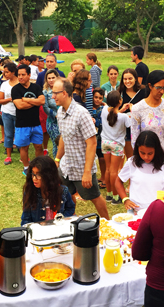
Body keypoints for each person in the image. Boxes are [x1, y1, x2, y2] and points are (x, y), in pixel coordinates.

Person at [52, 78, 109, 219]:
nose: (53, 96)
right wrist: (58, 159)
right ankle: (71, 222)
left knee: (95, 197)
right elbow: (63, 138)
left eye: (55, 93)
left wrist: (87, 172)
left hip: (82, 168)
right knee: (67, 197)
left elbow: (92, 143)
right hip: (66, 167)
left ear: (64, 93)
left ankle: (108, 223)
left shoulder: (81, 114)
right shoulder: (60, 112)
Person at [116, 131, 164, 211]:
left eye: (150, 153)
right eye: (142, 153)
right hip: (136, 210)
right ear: (137, 150)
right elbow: (118, 181)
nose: (146, 157)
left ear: (156, 150)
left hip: (158, 210)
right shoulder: (131, 163)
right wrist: (125, 199)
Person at [131, 70, 164, 170]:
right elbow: (135, 137)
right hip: (147, 159)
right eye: (158, 88)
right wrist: (139, 159)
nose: (162, 91)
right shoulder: (138, 108)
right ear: (150, 86)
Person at [21, 156, 76, 225]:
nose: (34, 178)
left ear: (49, 176)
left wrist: (62, 220)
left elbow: (70, 207)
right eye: (33, 174)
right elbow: (26, 219)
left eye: (38, 175)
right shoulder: (30, 192)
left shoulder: (63, 191)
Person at [12, 64, 45, 175]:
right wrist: (35, 102)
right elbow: (20, 106)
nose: (20, 77)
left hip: (36, 123)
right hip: (22, 124)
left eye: (23, 74)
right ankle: (26, 167)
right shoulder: (15, 89)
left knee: (39, 146)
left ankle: (40, 167)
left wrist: (26, 100)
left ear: (29, 75)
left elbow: (42, 101)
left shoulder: (36, 87)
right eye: (19, 75)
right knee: (24, 147)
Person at [101, 90, 131, 205]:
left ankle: (109, 194)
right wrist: (131, 110)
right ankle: (115, 196)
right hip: (116, 145)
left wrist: (120, 109)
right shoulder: (123, 117)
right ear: (120, 101)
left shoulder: (104, 110)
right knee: (114, 171)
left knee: (108, 169)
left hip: (105, 143)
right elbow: (130, 124)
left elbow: (112, 112)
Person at [119, 67, 144, 159]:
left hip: (142, 128)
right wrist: (121, 110)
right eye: (125, 79)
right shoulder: (120, 93)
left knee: (142, 156)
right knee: (131, 158)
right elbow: (114, 112)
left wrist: (135, 110)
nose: (127, 81)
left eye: (130, 78)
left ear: (135, 79)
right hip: (126, 130)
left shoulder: (143, 91)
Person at [0, 63, 18, 165]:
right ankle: (8, 156)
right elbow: (0, 100)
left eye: (7, 72)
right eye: (4, 72)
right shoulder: (4, 84)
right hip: (7, 112)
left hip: (19, 112)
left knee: (19, 134)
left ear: (13, 72)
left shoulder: (20, 83)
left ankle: (22, 152)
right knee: (8, 134)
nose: (4, 74)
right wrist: (10, 99)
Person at [43, 69, 60, 158]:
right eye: (49, 78)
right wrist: (56, 115)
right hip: (53, 122)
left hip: (64, 120)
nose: (51, 80)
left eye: (53, 77)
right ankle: (57, 165)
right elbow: (45, 107)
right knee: (56, 144)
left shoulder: (62, 89)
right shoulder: (45, 92)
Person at [92, 87, 106, 189]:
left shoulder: (103, 109)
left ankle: (104, 177)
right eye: (95, 97)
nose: (97, 100)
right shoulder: (88, 107)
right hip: (91, 137)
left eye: (100, 98)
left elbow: (102, 122)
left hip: (100, 137)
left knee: (102, 158)